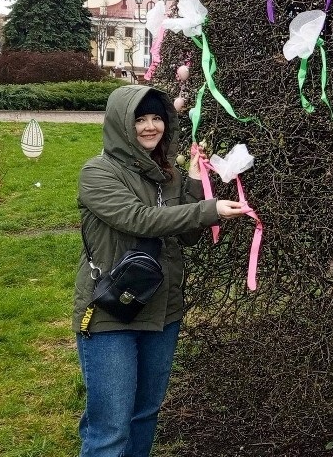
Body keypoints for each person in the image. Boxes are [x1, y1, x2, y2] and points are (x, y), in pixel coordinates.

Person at [73, 85, 246, 457]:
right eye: (140, 119)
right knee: (110, 428)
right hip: (110, 313)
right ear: (122, 124)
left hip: (162, 311)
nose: (151, 127)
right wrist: (209, 209)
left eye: (157, 118)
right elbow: (140, 220)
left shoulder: (170, 175)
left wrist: (199, 178)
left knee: (144, 415)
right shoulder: (98, 173)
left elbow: (189, 237)